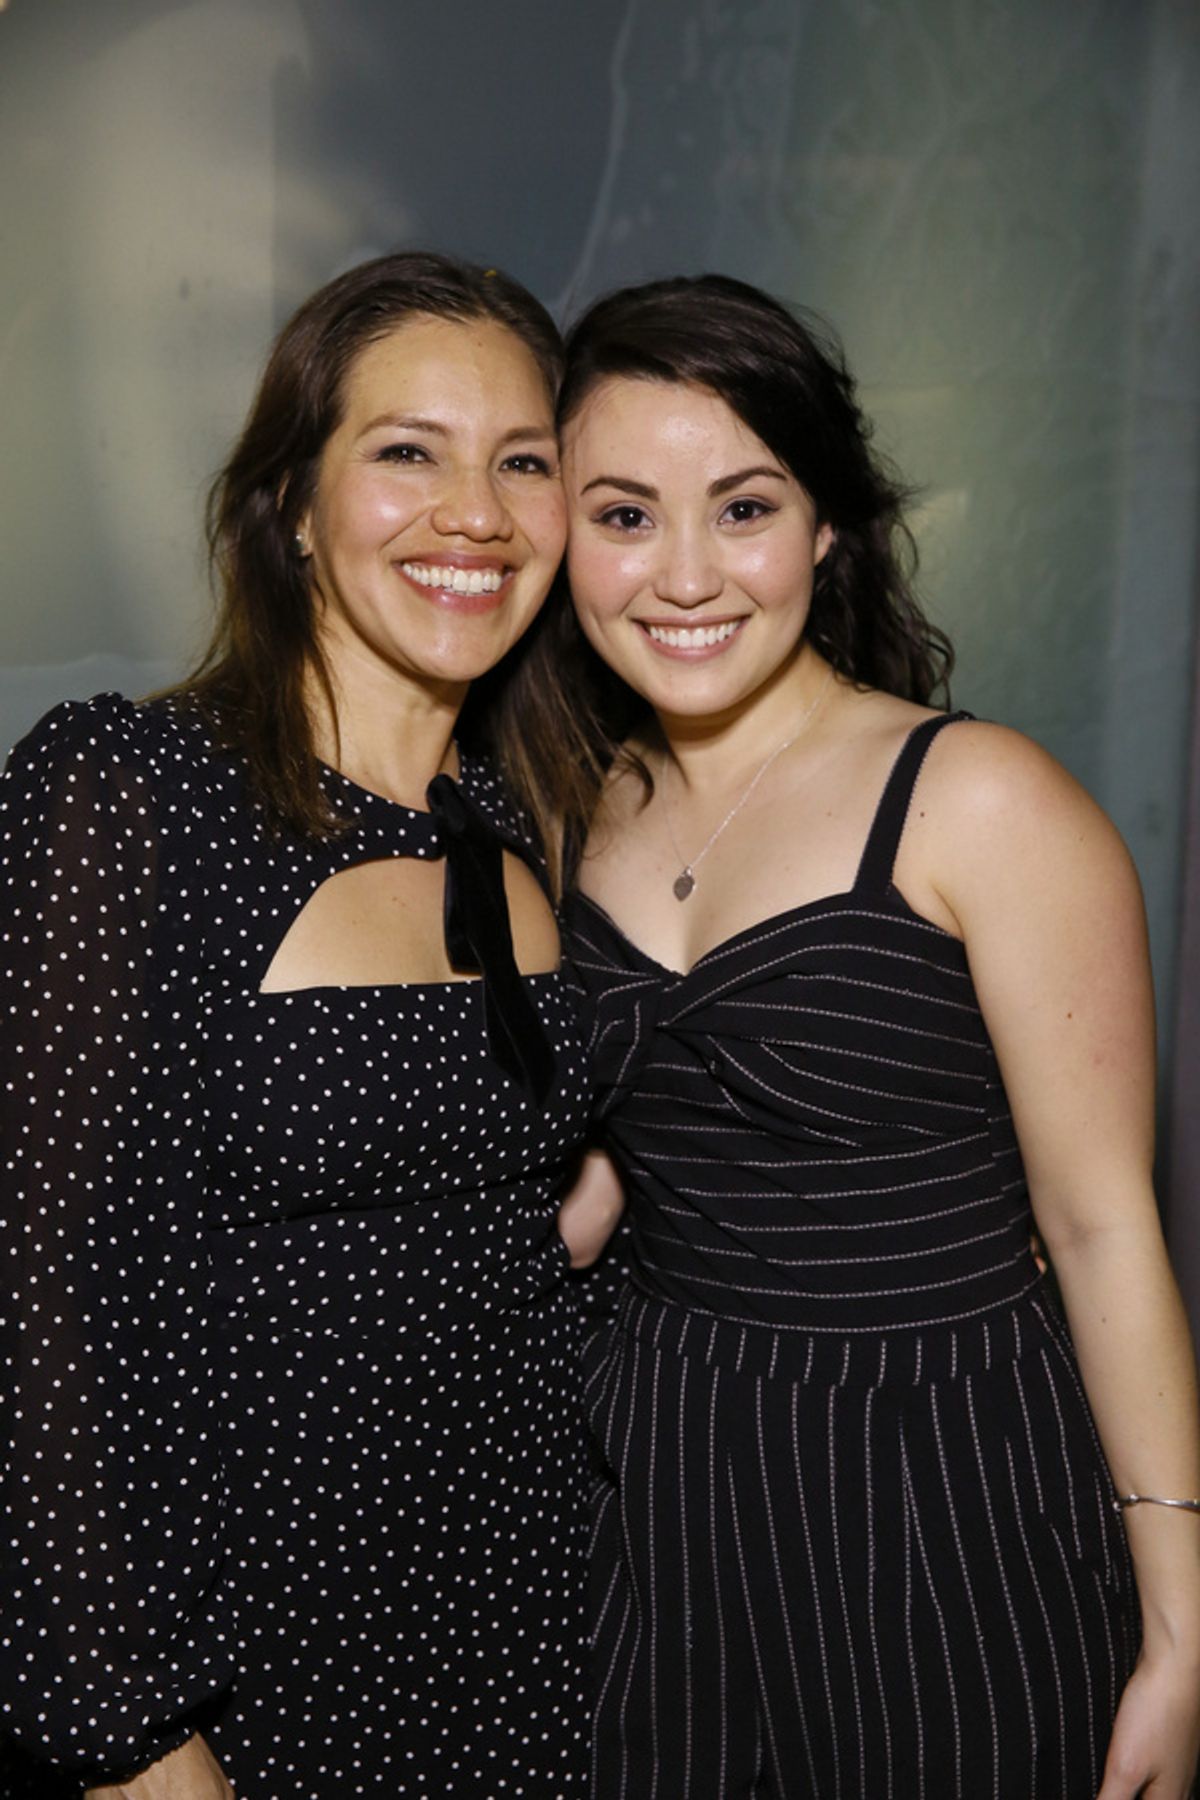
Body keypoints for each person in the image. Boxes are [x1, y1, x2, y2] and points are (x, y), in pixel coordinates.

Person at [549, 274, 1200, 1798]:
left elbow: (1106, 1230)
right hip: (658, 1475)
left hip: (939, 1474)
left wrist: (1182, 1625)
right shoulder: (571, 809)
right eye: (625, 513)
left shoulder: (983, 801)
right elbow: (599, 1177)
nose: (687, 573)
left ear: (827, 526)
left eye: (747, 506)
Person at [0, 251, 594, 1797]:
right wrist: (132, 1733)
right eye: (408, 451)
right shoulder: (134, 792)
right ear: (293, 506)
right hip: (237, 1672)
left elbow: (507, 1254)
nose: (477, 510)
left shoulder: (520, 833)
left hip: (527, 1640)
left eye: (522, 461)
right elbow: (33, 1294)